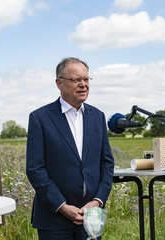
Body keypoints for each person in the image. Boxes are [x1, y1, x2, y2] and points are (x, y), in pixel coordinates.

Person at [26, 57, 115, 240]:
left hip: (91, 217)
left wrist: (97, 201)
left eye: (86, 79)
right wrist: (62, 206)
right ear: (59, 83)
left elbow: (106, 164)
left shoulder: (98, 117)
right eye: (76, 80)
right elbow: (35, 168)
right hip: (54, 218)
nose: (83, 84)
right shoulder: (40, 118)